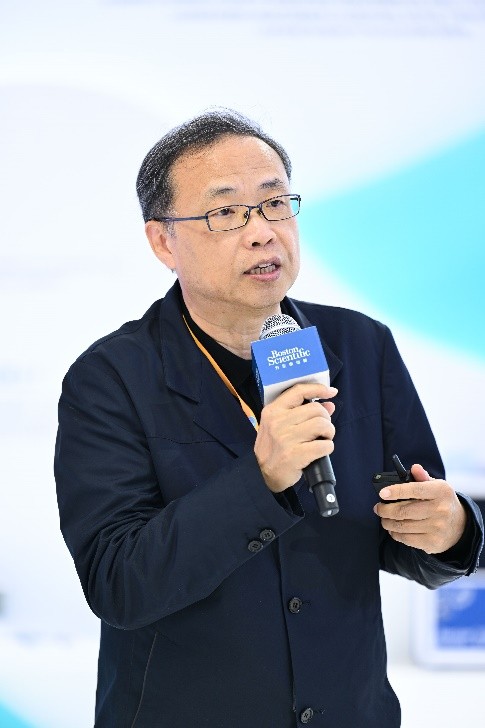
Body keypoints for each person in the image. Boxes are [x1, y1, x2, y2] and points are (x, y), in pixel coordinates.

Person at [54, 109, 483, 728]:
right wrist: (260, 480)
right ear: (163, 241)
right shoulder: (110, 378)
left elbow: (404, 530)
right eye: (225, 212)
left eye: (275, 204)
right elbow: (119, 583)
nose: (261, 233)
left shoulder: (361, 345)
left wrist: (453, 530)